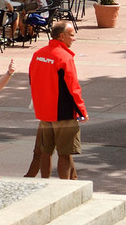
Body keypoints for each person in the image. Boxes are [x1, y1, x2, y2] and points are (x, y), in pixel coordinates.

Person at [26, 21, 87, 179]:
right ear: (62, 36)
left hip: (44, 113)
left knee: (46, 152)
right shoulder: (64, 57)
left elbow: (32, 80)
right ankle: (64, 187)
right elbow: (73, 88)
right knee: (65, 154)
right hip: (63, 113)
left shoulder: (38, 54)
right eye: (72, 35)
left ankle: (45, 182)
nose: (74, 39)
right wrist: (82, 112)